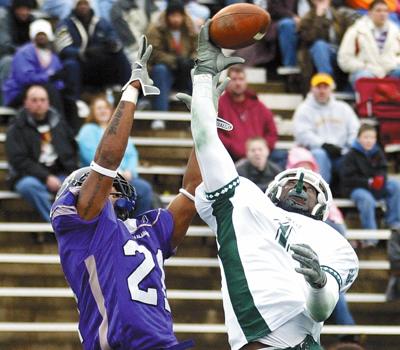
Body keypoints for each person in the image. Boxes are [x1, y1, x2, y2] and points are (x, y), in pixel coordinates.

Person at [190, 21, 359, 350]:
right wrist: (203, 75)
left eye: (308, 188)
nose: (298, 189)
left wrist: (318, 282)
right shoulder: (244, 200)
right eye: (291, 183)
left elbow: (320, 310)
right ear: (271, 189)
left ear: (322, 206)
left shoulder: (334, 242)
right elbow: (205, 138)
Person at [50, 36, 201, 349]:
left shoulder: (147, 232)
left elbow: (192, 191)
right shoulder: (82, 226)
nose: (113, 193)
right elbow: (106, 162)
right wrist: (131, 89)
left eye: (117, 190)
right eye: (108, 189)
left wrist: (206, 123)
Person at [286, 146, 357, 330]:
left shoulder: (324, 208)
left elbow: (337, 228)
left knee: (327, 286)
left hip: (316, 259)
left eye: (308, 167)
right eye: (300, 167)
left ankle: (347, 331)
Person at [5, 85, 77, 222]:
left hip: (60, 174)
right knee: (28, 186)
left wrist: (70, 175)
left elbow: (71, 152)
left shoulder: (59, 124)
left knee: (76, 186)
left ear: (48, 102)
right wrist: (46, 177)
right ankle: (55, 222)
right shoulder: (16, 127)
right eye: (34, 100)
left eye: (43, 100)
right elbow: (19, 160)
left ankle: (72, 224)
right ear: (25, 102)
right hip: (29, 176)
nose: (39, 104)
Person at [76, 95, 154, 216]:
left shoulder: (120, 130)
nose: (103, 111)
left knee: (144, 189)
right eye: (99, 108)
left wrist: (130, 171)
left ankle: (136, 225)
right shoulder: (87, 130)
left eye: (106, 108)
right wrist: (118, 173)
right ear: (93, 112)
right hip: (98, 178)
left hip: (124, 178)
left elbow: (132, 154)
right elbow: (90, 155)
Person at [54, 0, 131, 100]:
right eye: (79, 4)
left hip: (99, 64)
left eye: (85, 4)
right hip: (79, 64)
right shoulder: (65, 24)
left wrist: (112, 44)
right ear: (74, 7)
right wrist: (82, 53)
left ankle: (130, 95)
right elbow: (63, 49)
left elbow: (114, 39)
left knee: (120, 56)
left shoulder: (101, 22)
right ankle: (75, 102)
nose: (83, 7)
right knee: (71, 65)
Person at [293, 73, 360, 184]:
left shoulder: (343, 108)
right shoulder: (304, 109)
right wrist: (323, 144)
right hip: (316, 151)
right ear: (312, 89)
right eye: (318, 87)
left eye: (325, 87)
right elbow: (302, 134)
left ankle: (348, 189)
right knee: (320, 154)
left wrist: (349, 146)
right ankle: (320, 190)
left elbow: (355, 130)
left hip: (341, 151)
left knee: (354, 154)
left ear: (331, 89)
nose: (322, 91)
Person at [341, 123, 400, 246]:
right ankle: (371, 236)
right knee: (366, 199)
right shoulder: (351, 155)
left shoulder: (378, 152)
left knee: (395, 186)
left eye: (372, 137)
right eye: (366, 137)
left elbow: (383, 169)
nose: (369, 141)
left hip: (376, 187)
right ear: (358, 138)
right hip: (357, 188)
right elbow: (347, 178)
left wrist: (380, 179)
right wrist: (368, 182)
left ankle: (394, 223)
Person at [217, 64, 287, 168]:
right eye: (234, 79)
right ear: (227, 82)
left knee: (283, 156)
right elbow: (216, 132)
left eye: (241, 79)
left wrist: (261, 149)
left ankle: (270, 182)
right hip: (232, 154)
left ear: (246, 81)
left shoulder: (257, 104)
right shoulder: (220, 104)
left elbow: (272, 131)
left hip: (258, 153)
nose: (238, 83)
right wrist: (234, 147)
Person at [146, 0, 197, 112]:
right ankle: (160, 115)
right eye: (173, 15)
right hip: (165, 70)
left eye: (178, 15)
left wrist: (191, 60)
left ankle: (197, 117)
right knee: (160, 70)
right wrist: (175, 61)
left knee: (197, 73)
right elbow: (154, 52)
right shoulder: (156, 29)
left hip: (186, 70)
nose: (176, 19)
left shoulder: (190, 29)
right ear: (167, 16)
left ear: (183, 16)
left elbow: (198, 49)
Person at [3, 19, 65, 110]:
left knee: (64, 94)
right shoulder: (24, 52)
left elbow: (58, 80)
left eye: (44, 34)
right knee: (48, 89)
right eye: (38, 35)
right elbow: (25, 78)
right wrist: (49, 77)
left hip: (45, 91)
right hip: (18, 93)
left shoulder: (54, 57)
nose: (41, 37)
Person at [338, 0, 400, 89]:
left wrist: (394, 63)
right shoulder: (356, 30)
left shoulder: (396, 32)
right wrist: (364, 66)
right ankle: (366, 102)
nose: (382, 14)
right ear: (370, 13)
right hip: (366, 71)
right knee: (364, 77)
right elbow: (344, 59)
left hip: (390, 71)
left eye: (385, 11)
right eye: (378, 10)